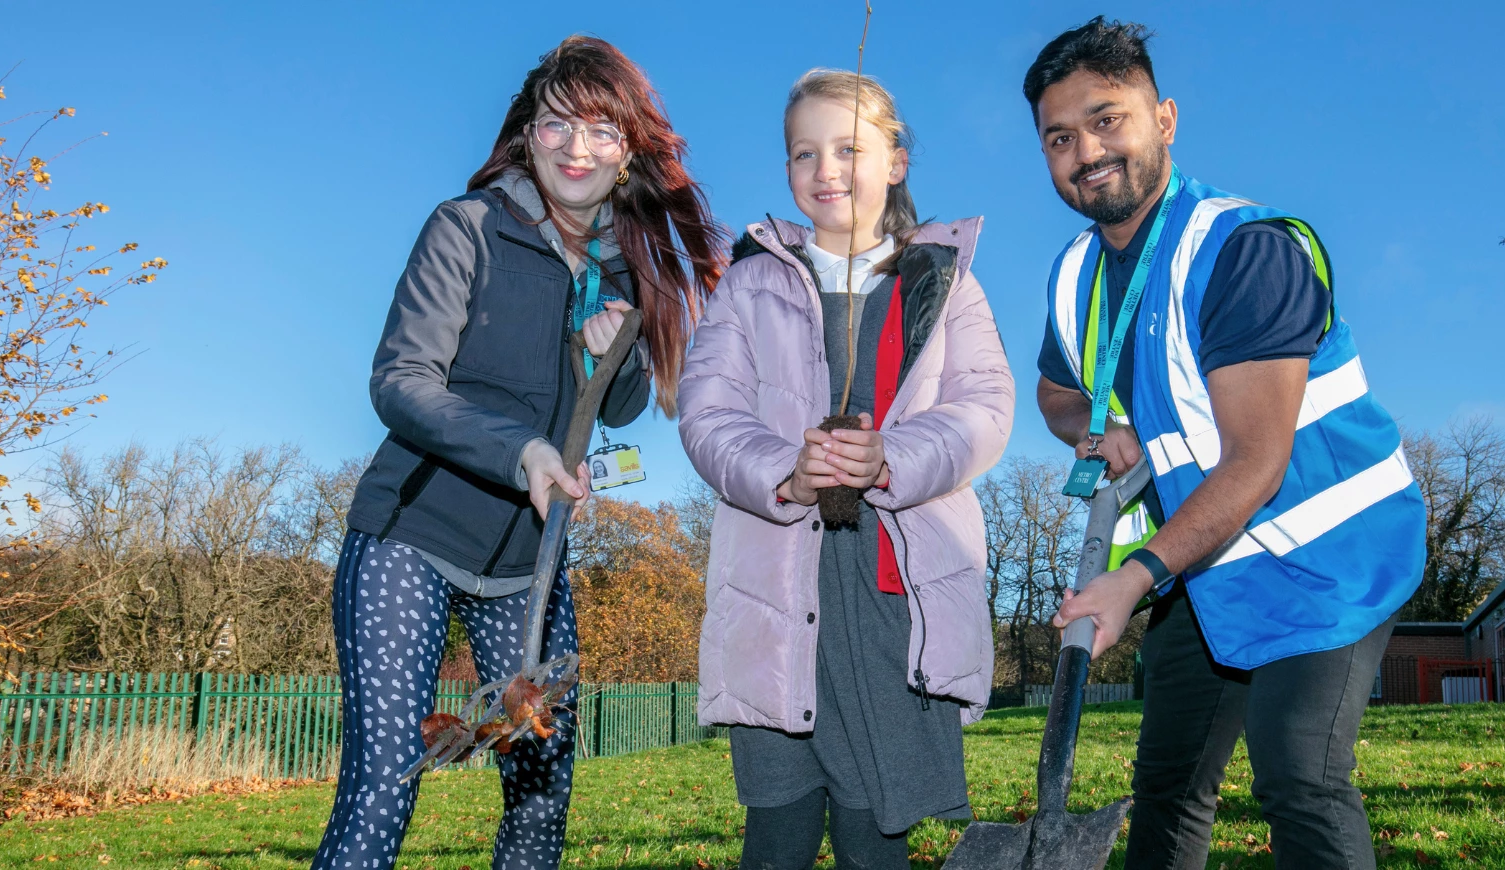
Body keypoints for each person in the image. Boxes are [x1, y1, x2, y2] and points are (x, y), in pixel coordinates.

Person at [1023, 18, 1426, 870]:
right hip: (1207, 565)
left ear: (1164, 118)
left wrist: (1132, 578)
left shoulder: (1244, 251)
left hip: (1328, 558)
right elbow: (1055, 391)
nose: (1086, 151)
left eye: (1107, 119)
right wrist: (1100, 428)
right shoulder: (1074, 275)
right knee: (1168, 786)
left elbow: (1254, 460)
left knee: (1299, 776)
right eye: (1061, 137)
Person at [318, 36, 725, 870]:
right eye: (557, 125)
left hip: (527, 565)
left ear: (628, 153)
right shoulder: (466, 228)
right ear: (525, 134)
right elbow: (402, 381)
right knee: (385, 779)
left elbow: (621, 408)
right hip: (411, 537)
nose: (577, 148)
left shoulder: (623, 268)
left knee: (542, 787)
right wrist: (524, 453)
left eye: (602, 131)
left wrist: (618, 351)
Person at [678, 69, 1014, 870]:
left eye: (848, 148)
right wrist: (784, 474)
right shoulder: (750, 282)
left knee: (876, 836)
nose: (824, 170)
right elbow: (707, 413)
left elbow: (985, 409)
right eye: (804, 153)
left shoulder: (944, 280)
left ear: (895, 160)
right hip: (775, 585)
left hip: (892, 596)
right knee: (778, 835)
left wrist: (893, 457)